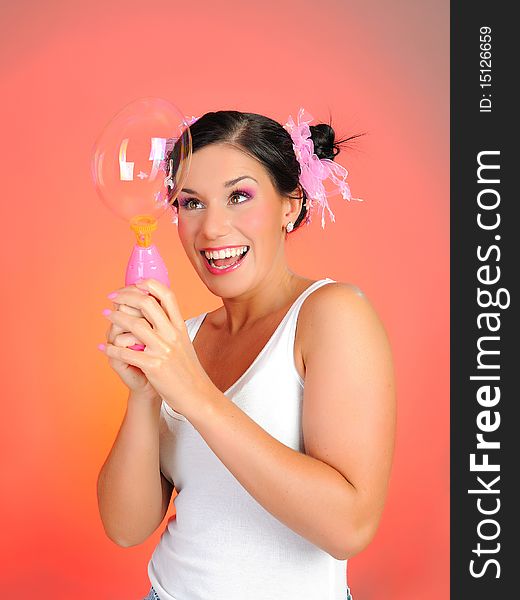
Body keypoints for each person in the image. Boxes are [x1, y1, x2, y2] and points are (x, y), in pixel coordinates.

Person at [97, 109, 396, 600]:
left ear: (290, 205)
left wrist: (194, 392)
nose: (212, 228)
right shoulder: (183, 340)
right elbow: (125, 529)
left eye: (239, 196)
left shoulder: (330, 314)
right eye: (191, 203)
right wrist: (145, 396)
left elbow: (349, 528)